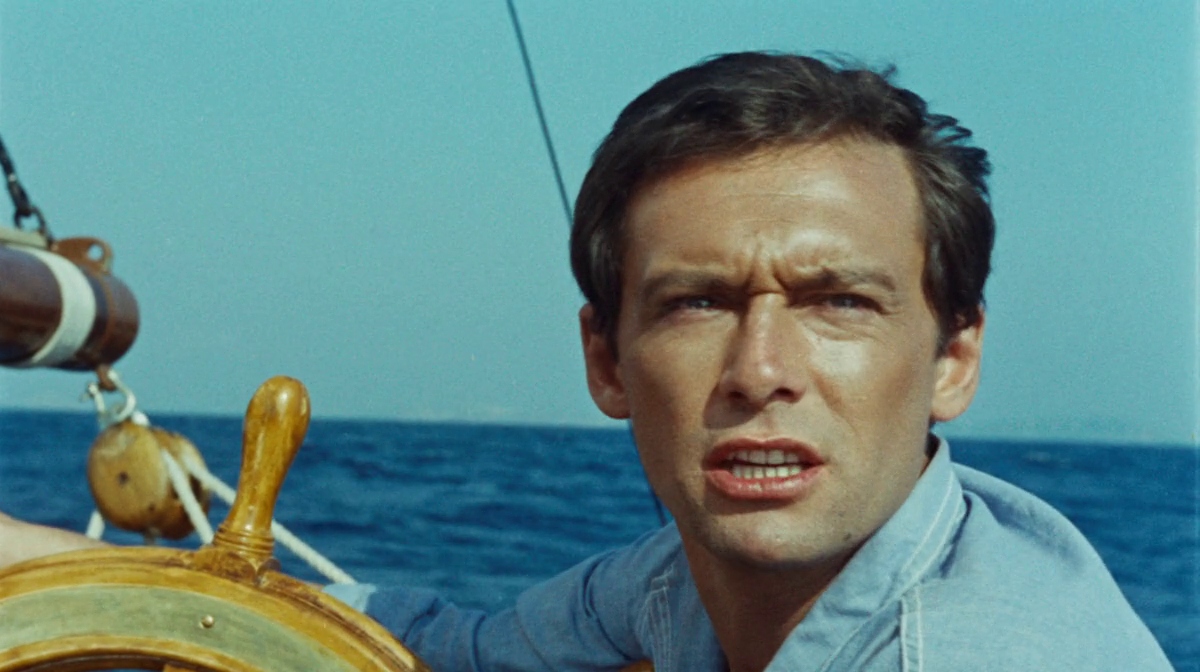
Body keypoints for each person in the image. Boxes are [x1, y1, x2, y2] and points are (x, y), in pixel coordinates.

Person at [0, 52, 1174, 671]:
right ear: (606, 360)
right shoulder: (675, 589)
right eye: (698, 302)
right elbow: (441, 648)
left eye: (839, 304)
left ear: (954, 357)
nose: (760, 368)